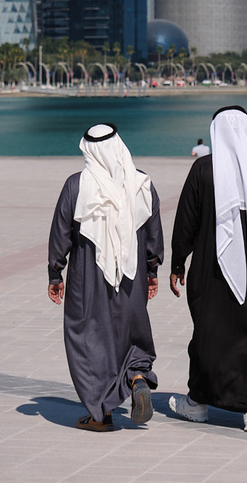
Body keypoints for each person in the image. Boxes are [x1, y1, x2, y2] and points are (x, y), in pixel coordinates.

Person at [167, 105, 247, 432]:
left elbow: (186, 222)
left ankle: (198, 403)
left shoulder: (203, 170)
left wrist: (178, 262)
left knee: (212, 333)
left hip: (211, 269)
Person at [48, 124, 163, 432]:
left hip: (87, 276)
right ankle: (137, 375)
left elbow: (61, 233)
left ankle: (101, 414)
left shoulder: (76, 185)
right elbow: (153, 234)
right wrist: (152, 271)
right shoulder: (142, 184)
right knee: (131, 328)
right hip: (132, 274)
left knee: (87, 334)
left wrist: (54, 272)